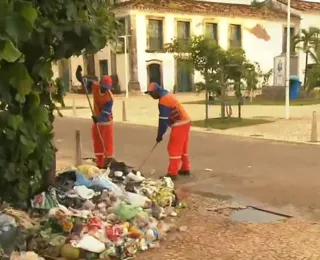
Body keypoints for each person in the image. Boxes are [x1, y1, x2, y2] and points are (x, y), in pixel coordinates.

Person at [145, 82, 191, 180]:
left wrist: (159, 135)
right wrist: (161, 132)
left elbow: (163, 120)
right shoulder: (166, 94)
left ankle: (172, 173)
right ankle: (185, 168)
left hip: (180, 124)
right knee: (182, 148)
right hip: (186, 121)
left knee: (173, 148)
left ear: (157, 91)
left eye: (152, 93)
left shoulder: (163, 101)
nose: (151, 95)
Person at [77, 69, 114, 168]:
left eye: (106, 88)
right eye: (103, 87)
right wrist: (79, 76)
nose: (104, 90)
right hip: (96, 122)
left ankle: (107, 164)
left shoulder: (110, 98)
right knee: (97, 144)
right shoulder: (95, 85)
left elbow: (105, 114)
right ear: (100, 84)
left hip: (106, 123)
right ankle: (99, 164)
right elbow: (84, 81)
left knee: (107, 145)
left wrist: (98, 119)